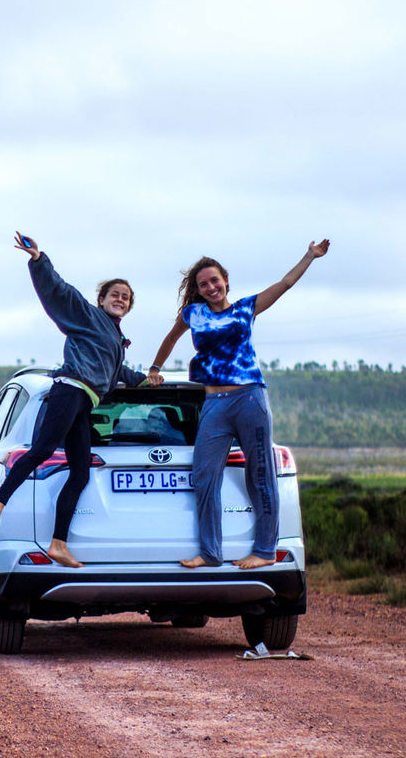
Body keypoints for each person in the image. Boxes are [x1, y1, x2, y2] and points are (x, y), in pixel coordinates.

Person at [147, 239, 330, 569]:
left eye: (215, 280)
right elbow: (171, 337)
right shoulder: (193, 313)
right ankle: (210, 552)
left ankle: (263, 551)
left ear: (225, 281)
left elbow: (285, 284)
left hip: (249, 398)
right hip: (214, 403)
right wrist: (155, 368)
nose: (210, 287)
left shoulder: (246, 308)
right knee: (204, 476)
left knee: (260, 475)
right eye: (203, 284)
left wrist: (309, 256)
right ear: (199, 290)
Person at [0, 232, 148, 568]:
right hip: (69, 389)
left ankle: (59, 543)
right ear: (101, 299)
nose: (120, 299)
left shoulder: (115, 339)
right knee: (42, 450)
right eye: (114, 294)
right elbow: (60, 292)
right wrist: (39, 260)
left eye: (126, 298)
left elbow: (120, 373)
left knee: (81, 473)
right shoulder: (86, 315)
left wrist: (147, 379)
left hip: (83, 403)